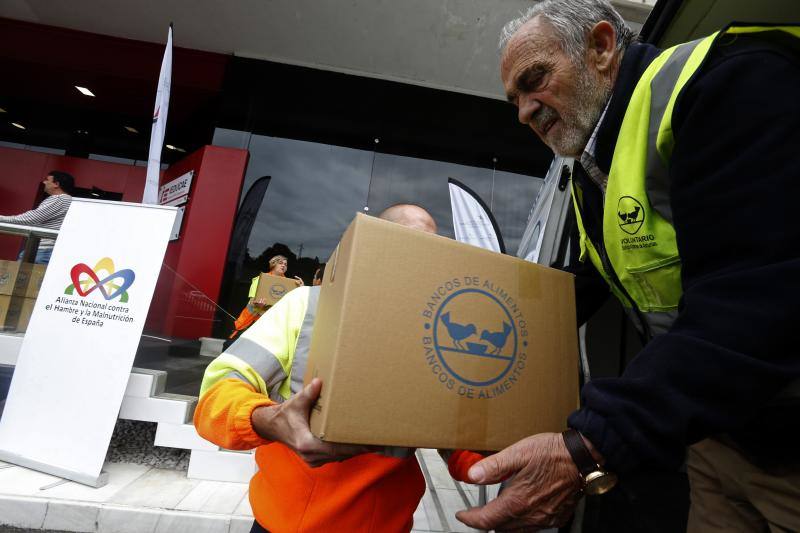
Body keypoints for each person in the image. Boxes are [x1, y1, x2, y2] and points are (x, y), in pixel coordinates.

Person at [455, 2, 800, 532]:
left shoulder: (729, 84)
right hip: (720, 440)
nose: (524, 111)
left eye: (534, 80)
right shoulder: (593, 166)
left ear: (600, 48)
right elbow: (593, 280)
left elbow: (758, 300)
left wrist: (589, 443)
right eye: (515, 100)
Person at [195, 204, 483, 533]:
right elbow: (219, 394)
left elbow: (455, 431)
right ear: (372, 245)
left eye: (432, 249)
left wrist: (488, 462)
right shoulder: (305, 304)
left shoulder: (438, 331)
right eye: (408, 243)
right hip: (284, 525)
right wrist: (270, 420)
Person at [0, 171, 74, 264]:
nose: (44, 182)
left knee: (21, 276)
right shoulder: (65, 199)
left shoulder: (61, 199)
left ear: (56, 184)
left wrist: (2, 219)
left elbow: (31, 218)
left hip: (42, 251)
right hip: (43, 250)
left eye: (47, 180)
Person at [228, 254, 304, 341]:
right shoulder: (259, 279)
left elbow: (294, 304)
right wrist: (257, 306)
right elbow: (251, 302)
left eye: (285, 264)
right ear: (273, 264)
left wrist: (301, 289)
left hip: (274, 327)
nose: (283, 265)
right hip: (253, 323)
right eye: (280, 263)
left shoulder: (291, 285)